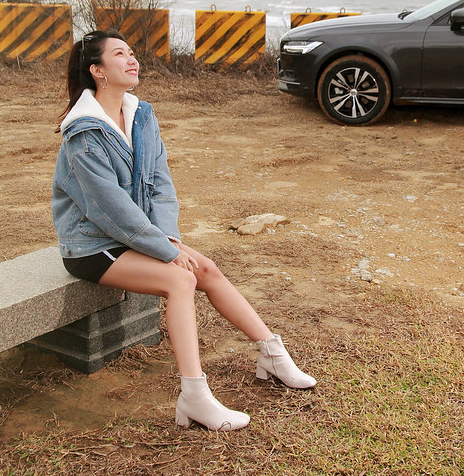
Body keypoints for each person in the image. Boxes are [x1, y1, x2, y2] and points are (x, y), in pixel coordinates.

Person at [51, 29, 314, 431]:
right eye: (119, 54)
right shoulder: (84, 134)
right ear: (97, 70)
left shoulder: (141, 116)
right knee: (181, 279)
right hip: (92, 245)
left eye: (132, 52)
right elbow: (110, 211)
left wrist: (170, 237)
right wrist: (168, 251)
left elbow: (161, 184)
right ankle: (194, 396)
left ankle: (272, 353)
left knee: (206, 268)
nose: (132, 59)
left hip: (137, 237)